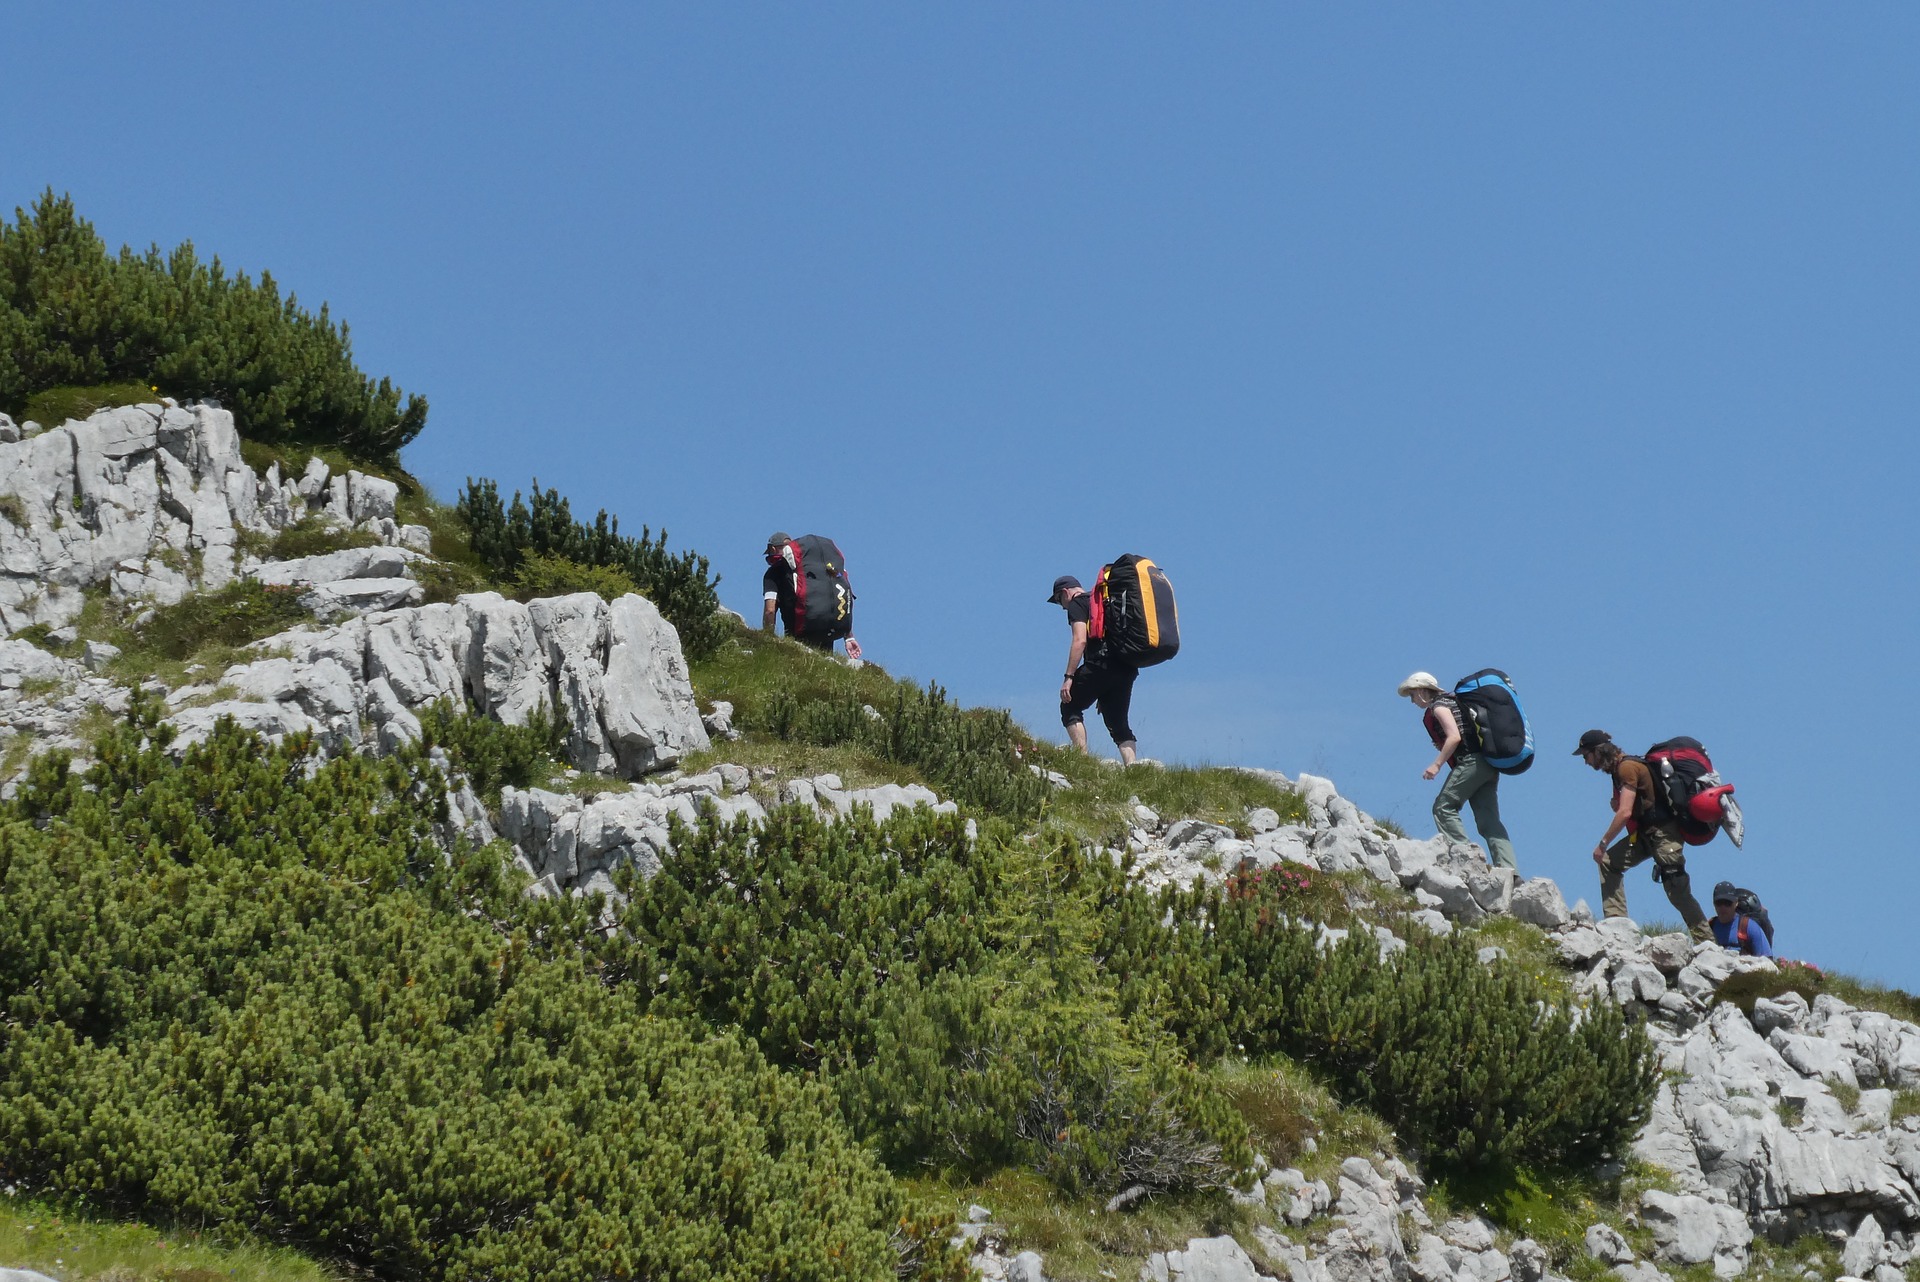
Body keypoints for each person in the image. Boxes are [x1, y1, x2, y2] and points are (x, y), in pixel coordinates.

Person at [1575, 729, 1709, 941]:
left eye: (1586, 755)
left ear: (1598, 751)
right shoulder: (1620, 770)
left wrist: (1603, 843)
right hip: (1646, 834)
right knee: (1609, 863)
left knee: (1677, 891)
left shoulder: (1627, 768)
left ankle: (1707, 943)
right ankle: (1617, 926)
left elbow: (1625, 812)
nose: (1586, 761)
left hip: (1664, 834)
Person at [1397, 672, 1517, 869]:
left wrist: (1436, 765)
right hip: (1487, 764)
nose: (1412, 701)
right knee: (1489, 820)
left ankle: (1466, 858)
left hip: (1471, 763)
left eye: (1412, 695)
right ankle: (1510, 870)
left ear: (1420, 690)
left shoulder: (1439, 707)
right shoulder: (1454, 702)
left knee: (1443, 807)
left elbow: (1454, 737)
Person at [1049, 574, 1138, 764]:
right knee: (1118, 723)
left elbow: (1079, 640)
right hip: (1126, 667)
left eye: (1059, 600)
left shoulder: (1077, 604)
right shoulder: (1106, 601)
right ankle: (1133, 768)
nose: (1062, 606)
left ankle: (1082, 760)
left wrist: (1069, 677)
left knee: (1069, 704)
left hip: (1100, 663)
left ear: (1065, 592)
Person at [762, 532, 860, 659]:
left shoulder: (773, 573)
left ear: (772, 549)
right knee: (823, 667)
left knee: (798, 669)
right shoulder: (816, 569)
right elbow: (841, 598)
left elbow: (770, 610)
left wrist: (767, 638)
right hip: (828, 628)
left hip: (800, 630)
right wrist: (848, 637)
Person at [1709, 881, 1774, 957]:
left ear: (1736, 903)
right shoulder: (1710, 927)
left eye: (1728, 903)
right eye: (1719, 903)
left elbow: (1767, 958)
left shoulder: (1748, 926)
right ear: (1714, 903)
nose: (1723, 908)